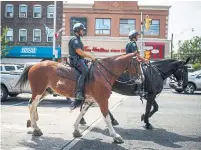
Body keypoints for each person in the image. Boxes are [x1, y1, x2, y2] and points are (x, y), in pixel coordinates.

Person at [68, 23, 96, 109]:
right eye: (82, 30)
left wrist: (85, 59)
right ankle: (78, 92)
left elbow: (80, 54)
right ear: (77, 30)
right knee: (85, 71)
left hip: (79, 59)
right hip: (75, 60)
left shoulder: (78, 39)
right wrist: (90, 56)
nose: (83, 31)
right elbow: (79, 51)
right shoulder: (74, 39)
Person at [126, 30, 149, 95]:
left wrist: (140, 59)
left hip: (130, 61)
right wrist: (144, 60)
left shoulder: (128, 44)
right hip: (133, 62)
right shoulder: (133, 44)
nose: (137, 37)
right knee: (141, 74)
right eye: (136, 35)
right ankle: (139, 90)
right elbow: (136, 55)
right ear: (133, 36)